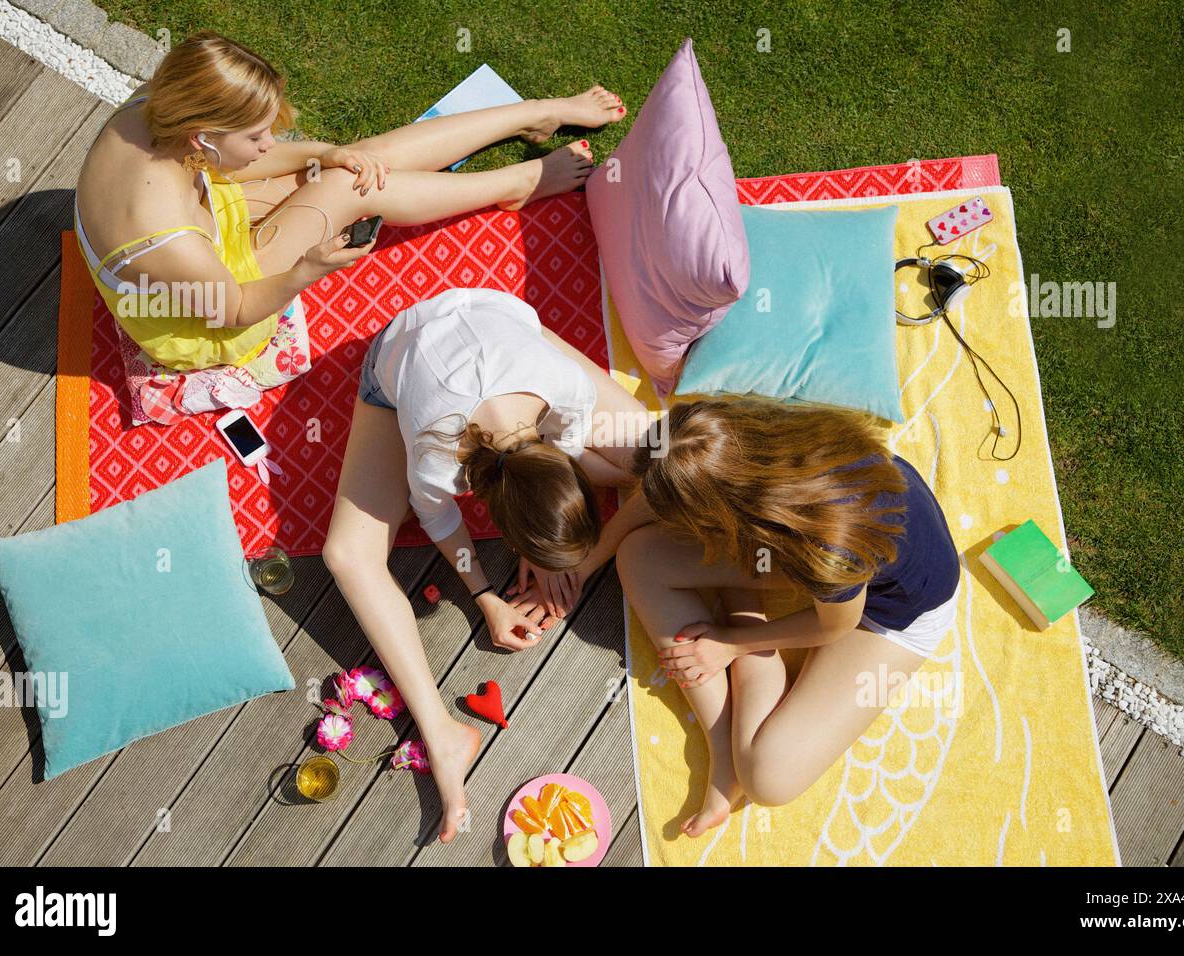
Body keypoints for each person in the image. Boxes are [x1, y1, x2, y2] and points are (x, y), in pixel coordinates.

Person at [74, 30, 624, 372]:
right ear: (204, 136)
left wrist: (327, 151)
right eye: (258, 136)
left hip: (200, 226)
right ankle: (515, 184)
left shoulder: (160, 104)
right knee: (345, 186)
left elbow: (235, 163)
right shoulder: (165, 232)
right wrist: (305, 271)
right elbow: (236, 310)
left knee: (344, 165)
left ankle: (533, 114)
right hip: (217, 311)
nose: (270, 145)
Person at [323, 286, 650, 843]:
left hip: (507, 334)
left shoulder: (562, 387)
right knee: (346, 555)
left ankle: (581, 505)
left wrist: (559, 552)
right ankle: (441, 734)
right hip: (400, 365)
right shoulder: (435, 461)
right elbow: (441, 520)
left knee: (657, 449)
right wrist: (485, 596)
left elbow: (567, 448)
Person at [608, 397, 962, 837]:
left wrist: (730, 642)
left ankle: (745, 618)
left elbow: (834, 625)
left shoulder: (833, 542)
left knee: (768, 778)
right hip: (799, 540)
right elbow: (663, 476)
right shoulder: (739, 435)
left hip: (886, 613)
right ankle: (723, 749)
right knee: (639, 556)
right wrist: (583, 564)